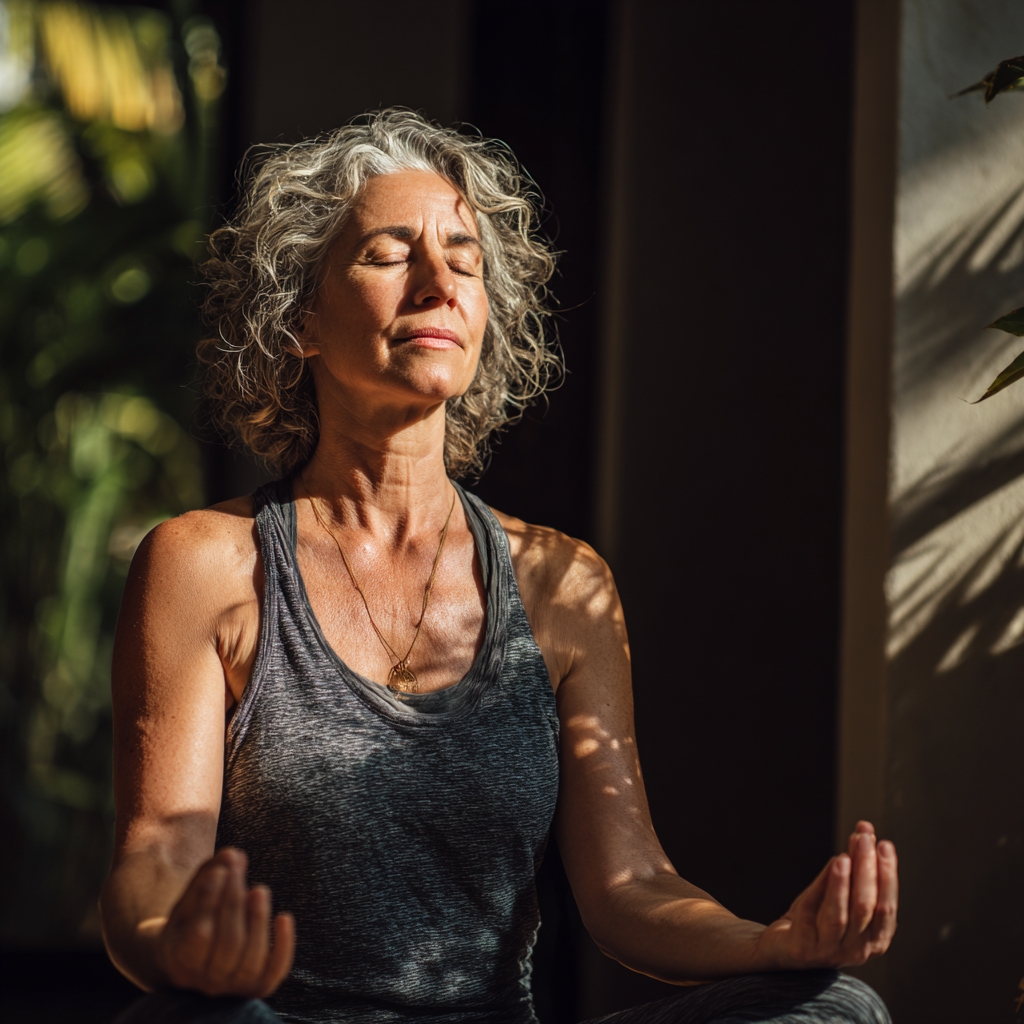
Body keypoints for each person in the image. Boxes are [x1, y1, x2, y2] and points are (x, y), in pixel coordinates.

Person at [99, 110, 897, 1024]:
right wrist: (177, 945)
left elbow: (630, 887)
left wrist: (771, 948)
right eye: (388, 255)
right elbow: (156, 861)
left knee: (836, 1009)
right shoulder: (204, 565)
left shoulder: (562, 583)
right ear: (299, 320)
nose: (439, 285)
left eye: (466, 262)